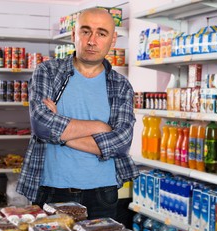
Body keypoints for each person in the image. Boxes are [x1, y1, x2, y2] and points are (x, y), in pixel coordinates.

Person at [16, 7, 139, 220]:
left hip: (103, 191)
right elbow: (42, 125)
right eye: (85, 31)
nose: (92, 40)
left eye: (102, 33)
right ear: (74, 35)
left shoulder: (120, 85)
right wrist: (101, 128)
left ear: (113, 40)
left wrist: (60, 134)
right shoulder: (48, 72)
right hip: (52, 188)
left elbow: (121, 142)